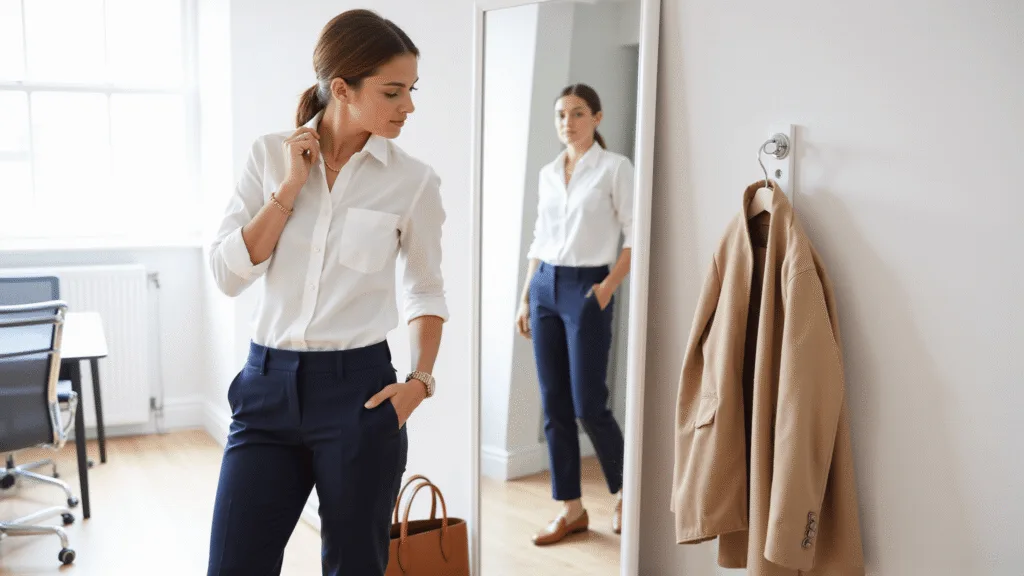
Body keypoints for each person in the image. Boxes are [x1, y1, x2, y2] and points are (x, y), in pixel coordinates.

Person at [205, 10, 448, 576]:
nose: (408, 106)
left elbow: (425, 288)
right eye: (392, 92)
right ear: (342, 88)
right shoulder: (270, 156)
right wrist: (290, 187)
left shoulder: (413, 181)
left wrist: (419, 383)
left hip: (359, 394)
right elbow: (228, 275)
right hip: (266, 389)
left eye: (411, 90)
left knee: (354, 566)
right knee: (234, 564)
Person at [515, 83, 634, 545]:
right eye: (561, 114)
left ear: (597, 118)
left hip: (587, 287)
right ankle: (571, 508)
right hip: (545, 285)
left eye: (578, 113)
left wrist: (607, 288)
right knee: (554, 405)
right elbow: (539, 236)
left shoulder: (614, 168)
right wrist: (525, 297)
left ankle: (625, 494)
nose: (568, 122)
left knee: (589, 404)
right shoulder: (548, 173)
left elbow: (635, 234)